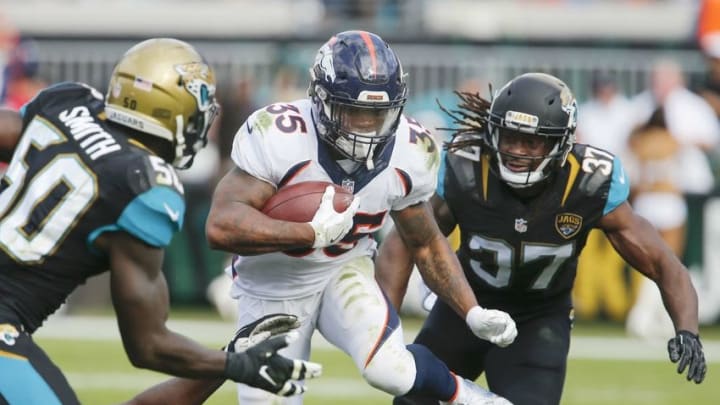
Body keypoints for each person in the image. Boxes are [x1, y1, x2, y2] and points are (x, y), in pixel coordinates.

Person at [0, 38, 319, 405]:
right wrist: (236, 363)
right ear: (170, 112)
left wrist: (230, 359)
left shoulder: (67, 102)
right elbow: (149, 347)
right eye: (198, 111)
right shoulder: (145, 186)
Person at [205, 30, 517, 405]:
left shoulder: (411, 149)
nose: (365, 126)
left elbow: (426, 242)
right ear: (320, 99)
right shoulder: (280, 134)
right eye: (353, 110)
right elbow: (221, 224)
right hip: (271, 285)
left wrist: (471, 311)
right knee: (270, 399)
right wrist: (306, 232)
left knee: (388, 367)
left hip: (342, 268)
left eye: (377, 113)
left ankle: (478, 401)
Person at [377, 73, 707, 405]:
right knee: (412, 401)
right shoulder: (467, 167)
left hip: (538, 320)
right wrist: (383, 325)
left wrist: (687, 329)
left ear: (560, 143)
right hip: (466, 307)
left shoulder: (588, 182)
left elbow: (664, 264)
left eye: (531, 141)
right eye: (509, 137)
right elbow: (406, 243)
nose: (517, 151)